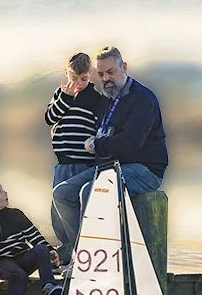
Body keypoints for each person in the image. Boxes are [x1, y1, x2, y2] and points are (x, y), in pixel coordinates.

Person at [52, 46, 168, 263]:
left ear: (124, 67)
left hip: (145, 170)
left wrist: (97, 145)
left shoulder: (142, 98)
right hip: (112, 166)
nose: (106, 78)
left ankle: (99, 258)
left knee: (91, 191)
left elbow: (132, 142)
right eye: (101, 74)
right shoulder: (106, 97)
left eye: (111, 72)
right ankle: (85, 256)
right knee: (62, 193)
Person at [45, 52, 103, 266]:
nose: (78, 83)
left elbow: (101, 128)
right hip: (62, 163)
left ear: (91, 76)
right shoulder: (61, 94)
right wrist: (66, 97)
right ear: (67, 74)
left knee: (77, 208)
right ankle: (67, 250)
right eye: (73, 78)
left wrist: (95, 140)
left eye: (83, 79)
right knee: (58, 212)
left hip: (83, 163)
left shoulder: (96, 99)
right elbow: (49, 118)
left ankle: (83, 252)